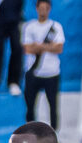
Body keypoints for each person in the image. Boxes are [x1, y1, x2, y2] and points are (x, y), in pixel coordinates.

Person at [21, 0, 64, 130]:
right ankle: (31, 131)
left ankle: (54, 132)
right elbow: (27, 49)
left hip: (52, 72)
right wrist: (49, 46)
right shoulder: (30, 27)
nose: (43, 11)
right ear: (37, 9)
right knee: (30, 105)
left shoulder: (56, 26)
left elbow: (59, 48)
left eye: (46, 8)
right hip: (34, 72)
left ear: (49, 9)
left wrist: (38, 46)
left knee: (53, 105)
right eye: (41, 8)